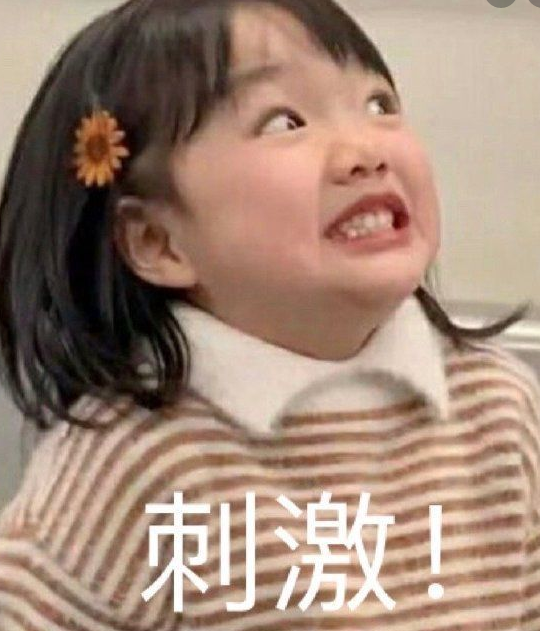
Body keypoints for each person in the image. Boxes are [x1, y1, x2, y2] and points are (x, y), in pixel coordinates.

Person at [0, 0, 538, 628]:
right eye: (285, 121)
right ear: (157, 242)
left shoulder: (497, 406)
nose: (365, 150)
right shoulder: (128, 465)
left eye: (378, 104)